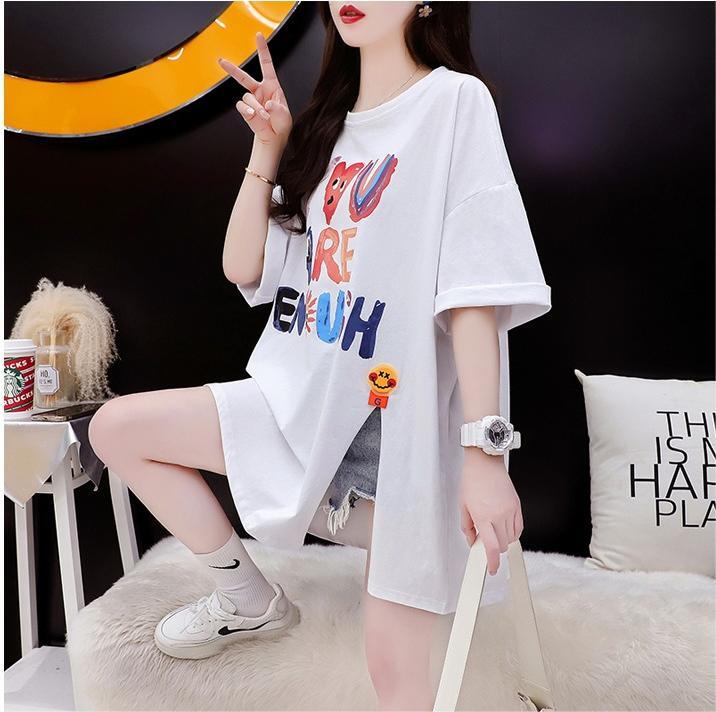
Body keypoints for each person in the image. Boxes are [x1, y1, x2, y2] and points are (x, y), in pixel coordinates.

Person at [88, 2, 551, 709]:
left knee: (396, 678)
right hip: (294, 411)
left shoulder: (454, 102)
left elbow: (474, 295)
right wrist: (268, 148)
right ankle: (249, 599)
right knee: (116, 429)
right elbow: (243, 266)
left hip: (392, 445)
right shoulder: (325, 128)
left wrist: (486, 457)